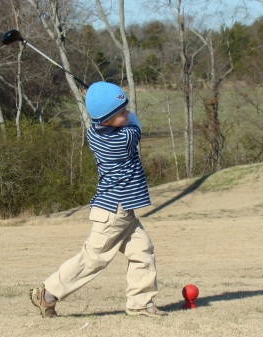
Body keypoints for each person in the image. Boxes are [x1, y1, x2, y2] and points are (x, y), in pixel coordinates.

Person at [30, 82, 167, 318]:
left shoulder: (94, 132)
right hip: (114, 211)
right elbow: (136, 124)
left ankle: (140, 303)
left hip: (122, 211)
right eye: (121, 112)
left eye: (125, 110)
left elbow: (117, 117)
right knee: (93, 259)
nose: (127, 113)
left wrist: (110, 103)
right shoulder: (122, 140)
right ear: (106, 120)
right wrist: (119, 107)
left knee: (143, 251)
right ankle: (48, 293)